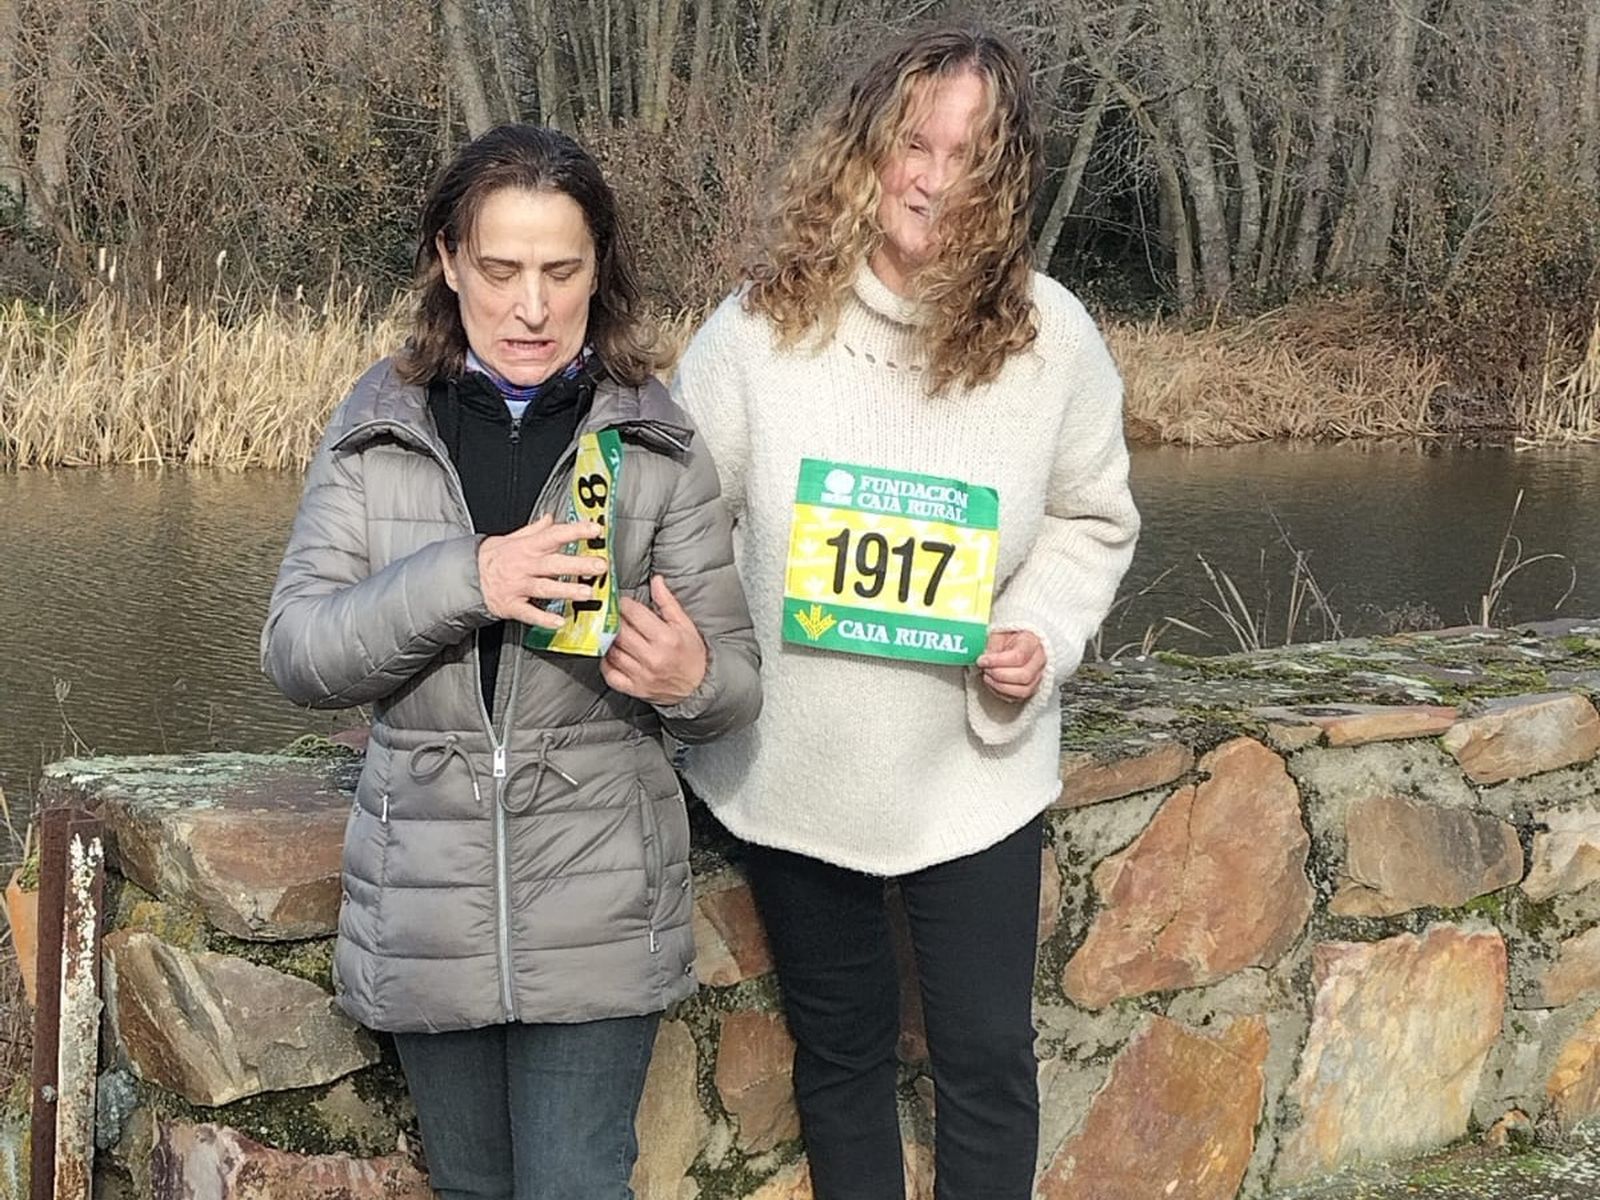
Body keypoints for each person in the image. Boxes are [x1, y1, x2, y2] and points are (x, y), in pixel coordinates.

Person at [670, 26, 1140, 1200]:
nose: (933, 180)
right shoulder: (756, 332)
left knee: (986, 1060)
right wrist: (700, 664)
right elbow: (677, 519)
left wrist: (1040, 632)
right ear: (866, 150)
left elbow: (1092, 519)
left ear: (1005, 178)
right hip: (792, 766)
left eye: (967, 157)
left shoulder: (1052, 339)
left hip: (974, 771)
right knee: (840, 1056)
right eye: (914, 146)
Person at [261, 124, 760, 1200]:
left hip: (597, 901)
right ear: (448, 261)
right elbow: (297, 652)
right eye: (500, 270)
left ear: (599, 267)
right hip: (427, 902)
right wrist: (469, 578)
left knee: (576, 1183)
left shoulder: (656, 440)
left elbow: (735, 686)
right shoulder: (377, 425)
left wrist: (690, 681)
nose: (531, 306)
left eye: (561, 270)